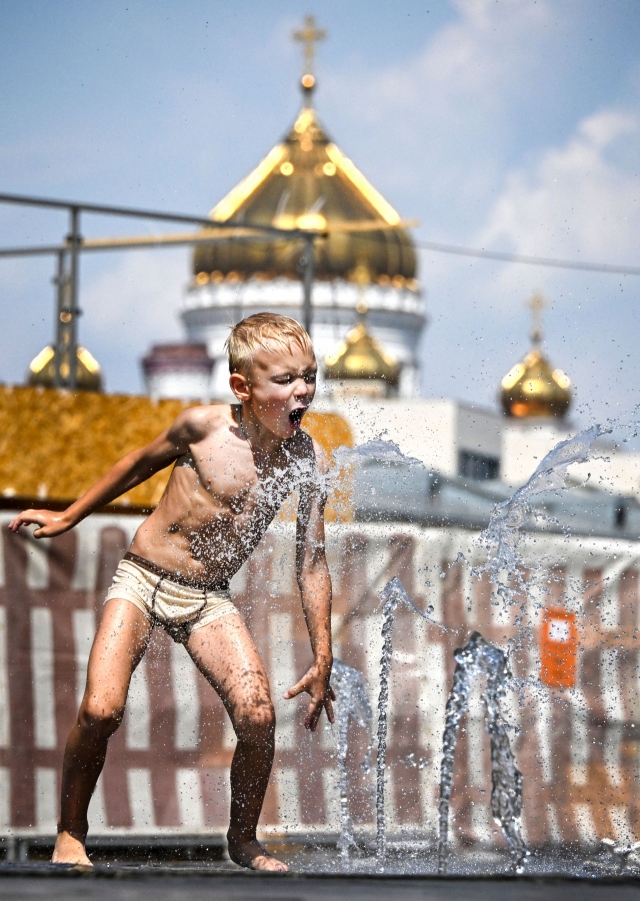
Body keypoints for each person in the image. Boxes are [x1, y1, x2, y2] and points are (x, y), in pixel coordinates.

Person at [8, 313, 334, 872]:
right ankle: (70, 832)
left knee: (258, 717)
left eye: (309, 376)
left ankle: (243, 839)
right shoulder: (202, 428)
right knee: (101, 708)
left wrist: (322, 652)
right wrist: (70, 515)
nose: (301, 390)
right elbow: (135, 464)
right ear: (243, 388)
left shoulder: (304, 460)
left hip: (208, 596)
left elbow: (312, 562)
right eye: (284, 380)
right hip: (143, 577)